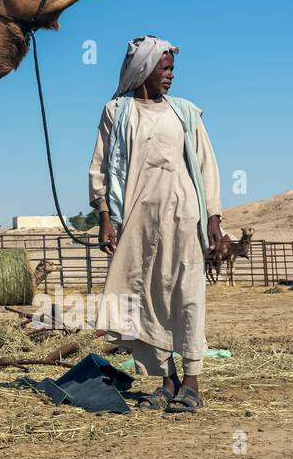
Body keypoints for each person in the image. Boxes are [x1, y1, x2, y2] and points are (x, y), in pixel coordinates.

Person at [88, 36, 223, 413]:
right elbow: (100, 167)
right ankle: (167, 380)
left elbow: (207, 165)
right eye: (165, 69)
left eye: (172, 69)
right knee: (145, 297)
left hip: (184, 217)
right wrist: (104, 217)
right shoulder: (117, 112)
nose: (170, 76)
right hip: (137, 220)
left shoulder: (185, 113)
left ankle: (192, 381)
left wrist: (213, 216)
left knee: (187, 294)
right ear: (144, 70)